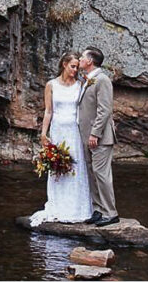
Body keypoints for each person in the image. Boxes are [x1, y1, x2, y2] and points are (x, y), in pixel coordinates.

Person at [29, 52, 93, 226]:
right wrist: (43, 133)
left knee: (75, 167)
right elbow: (48, 111)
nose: (75, 70)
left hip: (74, 131)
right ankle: (59, 206)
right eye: (72, 66)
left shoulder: (80, 85)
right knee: (57, 167)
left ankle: (78, 208)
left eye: (77, 67)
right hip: (58, 130)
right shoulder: (51, 85)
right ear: (64, 64)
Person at [78, 47, 118, 227]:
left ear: (90, 61)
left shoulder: (102, 80)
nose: (79, 59)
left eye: (82, 57)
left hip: (100, 137)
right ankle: (98, 210)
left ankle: (111, 213)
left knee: (101, 174)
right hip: (87, 136)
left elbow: (105, 110)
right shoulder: (86, 80)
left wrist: (95, 133)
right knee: (92, 173)